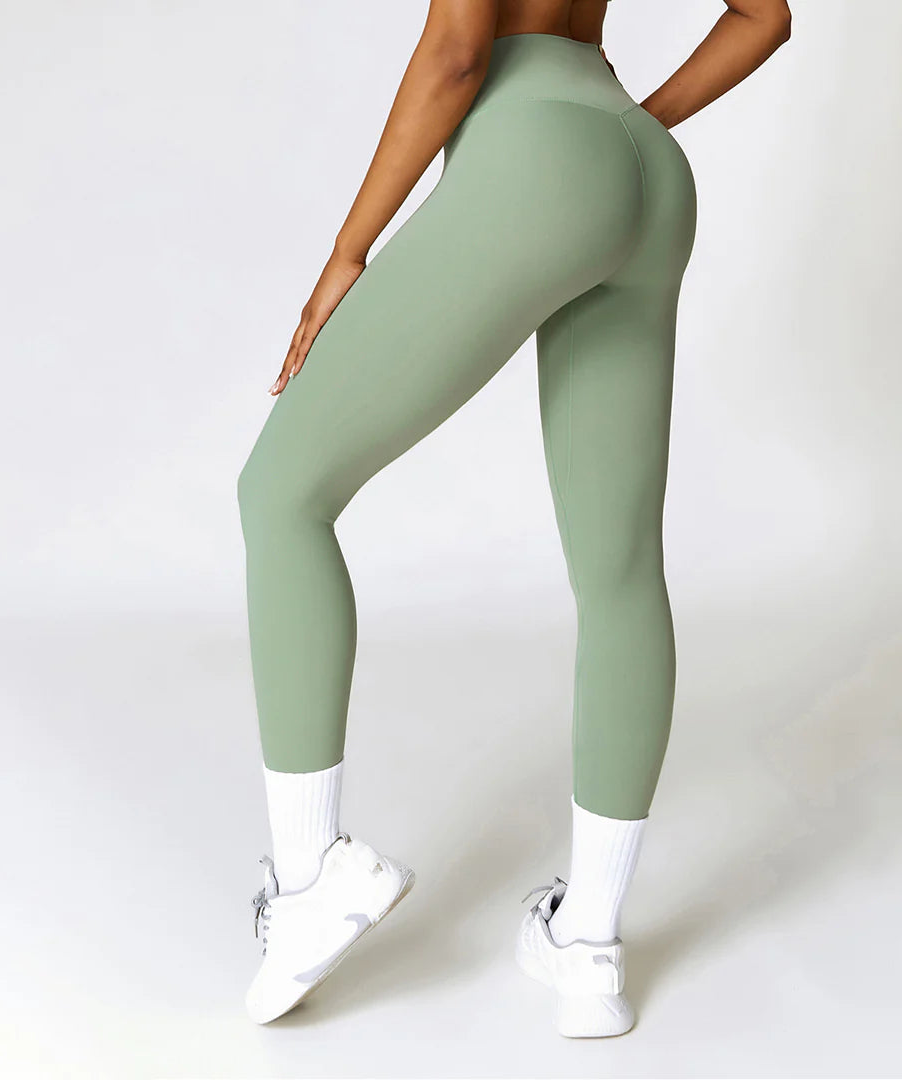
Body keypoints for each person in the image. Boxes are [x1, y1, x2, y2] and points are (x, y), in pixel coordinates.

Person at [237, 0, 791, 1038]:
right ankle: (588, 947)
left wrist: (349, 251)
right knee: (621, 569)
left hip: (537, 157)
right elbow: (764, 16)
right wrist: (639, 122)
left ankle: (309, 880)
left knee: (280, 495)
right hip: (643, 167)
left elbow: (457, 55)